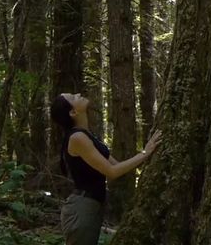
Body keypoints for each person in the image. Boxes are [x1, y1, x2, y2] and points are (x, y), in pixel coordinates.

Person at [50, 92, 162, 245]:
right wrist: (145, 152)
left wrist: (146, 156)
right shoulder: (77, 138)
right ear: (73, 112)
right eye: (73, 97)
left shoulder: (86, 135)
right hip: (83, 208)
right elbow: (111, 172)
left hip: (91, 205)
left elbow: (116, 165)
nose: (78, 94)